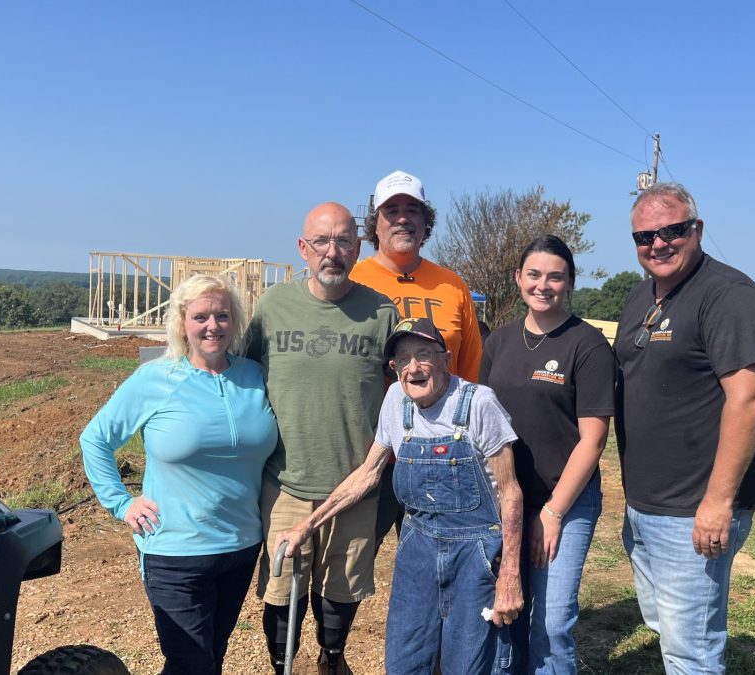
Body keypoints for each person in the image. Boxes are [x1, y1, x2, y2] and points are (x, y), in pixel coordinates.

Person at [275, 318, 524, 675]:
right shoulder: (396, 400)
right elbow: (368, 473)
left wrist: (509, 577)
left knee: (468, 665)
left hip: (476, 555)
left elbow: (511, 493)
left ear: (446, 359)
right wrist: (307, 526)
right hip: (417, 554)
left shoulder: (478, 403)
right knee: (404, 663)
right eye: (403, 359)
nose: (413, 367)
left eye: (424, 354)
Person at [79, 274, 278, 675]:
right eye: (200, 316)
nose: (212, 326)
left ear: (235, 321)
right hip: (174, 550)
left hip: (240, 545)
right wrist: (121, 502)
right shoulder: (156, 379)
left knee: (212, 656)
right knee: (191, 663)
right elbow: (95, 439)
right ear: (182, 323)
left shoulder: (254, 376)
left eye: (222, 315)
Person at [614, 183, 755, 674]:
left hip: (693, 511)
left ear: (696, 230)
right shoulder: (642, 294)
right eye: (645, 236)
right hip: (645, 503)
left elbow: (747, 399)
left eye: (672, 230)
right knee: (666, 625)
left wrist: (719, 502)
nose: (658, 244)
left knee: (692, 651)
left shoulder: (728, 296)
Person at [243, 202, 398, 675]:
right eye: (322, 242)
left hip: (354, 484)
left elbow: (402, 396)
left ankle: (332, 658)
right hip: (285, 480)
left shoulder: (382, 313)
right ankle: (281, 664)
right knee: (283, 584)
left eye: (344, 241)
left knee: (341, 587)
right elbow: (244, 377)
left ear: (359, 247)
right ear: (303, 249)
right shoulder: (272, 307)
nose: (333, 252)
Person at [480, 235, 616, 674]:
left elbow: (593, 440)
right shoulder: (498, 343)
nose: (543, 285)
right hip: (506, 500)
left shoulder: (588, 345)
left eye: (555, 276)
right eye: (534, 274)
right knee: (508, 611)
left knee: (552, 623)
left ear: (570, 282)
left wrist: (553, 513)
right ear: (518, 278)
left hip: (565, 500)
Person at [350, 169, 485, 552]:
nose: (403, 218)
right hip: (371, 458)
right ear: (375, 222)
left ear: (427, 222)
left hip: (442, 457)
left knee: (445, 561)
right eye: (391, 210)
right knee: (347, 573)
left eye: (413, 209)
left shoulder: (452, 285)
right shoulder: (354, 282)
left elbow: (470, 369)